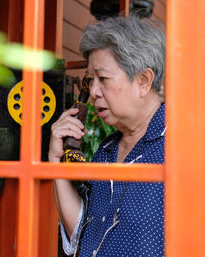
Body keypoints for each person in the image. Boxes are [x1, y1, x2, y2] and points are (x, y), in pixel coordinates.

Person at [49, 15, 166, 257]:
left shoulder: (180, 145)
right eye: (91, 81)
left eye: (103, 79)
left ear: (143, 81)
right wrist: (56, 162)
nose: (93, 92)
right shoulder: (106, 149)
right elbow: (82, 237)